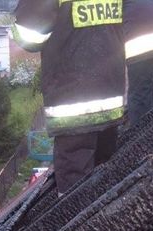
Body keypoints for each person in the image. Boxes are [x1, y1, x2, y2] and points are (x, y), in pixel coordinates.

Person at [14, 0, 125, 195]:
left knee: (74, 197)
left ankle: (83, 225)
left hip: (74, 105)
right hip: (110, 99)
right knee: (104, 182)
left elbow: (30, 38)